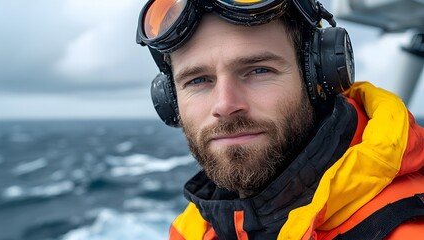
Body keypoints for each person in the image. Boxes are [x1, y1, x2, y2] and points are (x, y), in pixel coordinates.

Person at [137, 0, 424, 239]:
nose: (225, 105)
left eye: (258, 70)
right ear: (170, 101)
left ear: (319, 74)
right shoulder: (192, 230)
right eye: (198, 80)